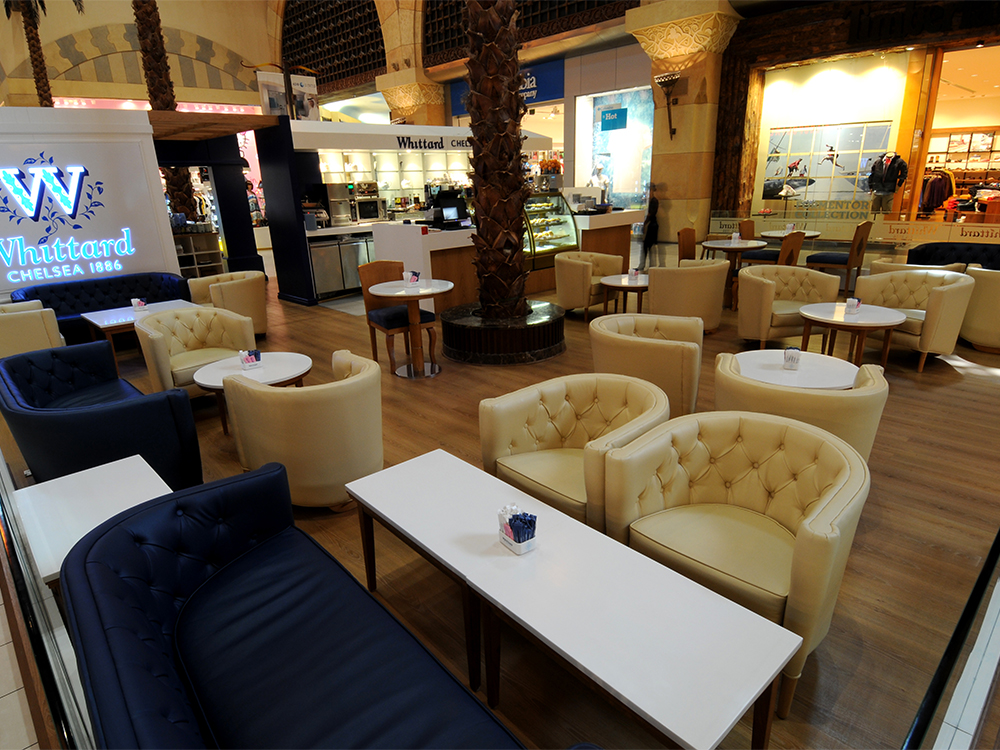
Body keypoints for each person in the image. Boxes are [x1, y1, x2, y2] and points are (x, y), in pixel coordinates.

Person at [637, 184, 659, 271]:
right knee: (646, 246)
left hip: (652, 225)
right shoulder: (648, 201)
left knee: (649, 246)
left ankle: (650, 265)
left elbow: (651, 214)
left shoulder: (653, 201)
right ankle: (644, 265)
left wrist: (645, 222)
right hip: (650, 224)